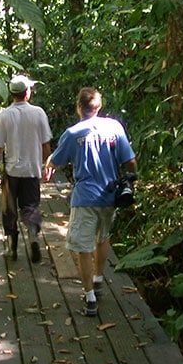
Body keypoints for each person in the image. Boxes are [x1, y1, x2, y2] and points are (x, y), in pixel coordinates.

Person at [43, 87, 136, 316]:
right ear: (99, 106)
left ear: (78, 107)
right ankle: (98, 278)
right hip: (110, 195)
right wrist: (132, 183)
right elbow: (130, 161)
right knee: (102, 237)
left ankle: (90, 298)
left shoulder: (74, 133)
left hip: (85, 197)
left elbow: (56, 161)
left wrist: (48, 165)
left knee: (83, 248)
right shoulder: (115, 127)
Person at [0, 74, 52, 263]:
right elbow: (45, 143)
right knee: (30, 206)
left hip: (12, 171)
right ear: (27, 93)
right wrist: (46, 164)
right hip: (32, 170)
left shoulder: (5, 115)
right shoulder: (38, 113)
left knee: (9, 210)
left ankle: (11, 247)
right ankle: (33, 233)